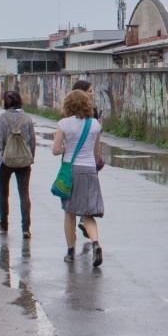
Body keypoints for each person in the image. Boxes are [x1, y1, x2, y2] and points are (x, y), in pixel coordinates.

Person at [52, 89, 105, 268]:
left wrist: (67, 147)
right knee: (87, 212)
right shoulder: (95, 125)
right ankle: (96, 243)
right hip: (90, 171)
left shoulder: (64, 124)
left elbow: (56, 149)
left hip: (72, 171)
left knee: (70, 212)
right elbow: (96, 153)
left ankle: (70, 252)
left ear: (68, 105)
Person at [0, 91, 37, 238]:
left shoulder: (2, 119)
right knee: (24, 194)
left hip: (6, 161)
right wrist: (31, 157)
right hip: (24, 161)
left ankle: (4, 224)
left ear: (6, 102)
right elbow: (32, 140)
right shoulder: (27, 118)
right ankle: (25, 228)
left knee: (3, 193)